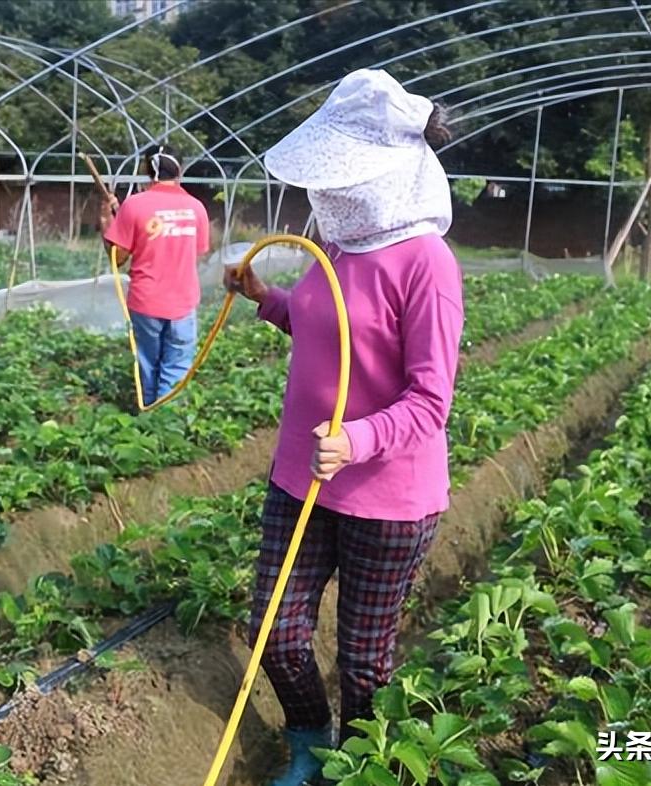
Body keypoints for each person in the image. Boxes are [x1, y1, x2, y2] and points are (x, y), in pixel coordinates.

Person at [223, 69, 464, 786]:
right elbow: (316, 324)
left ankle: (355, 767)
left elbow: (430, 401)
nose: (329, 193)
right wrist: (265, 297)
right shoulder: (337, 254)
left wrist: (357, 440)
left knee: (363, 658)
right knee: (275, 630)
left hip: (389, 495)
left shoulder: (426, 263)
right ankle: (307, 743)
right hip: (301, 475)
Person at [99, 143, 211, 406]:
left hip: (146, 301)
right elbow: (199, 250)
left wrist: (108, 218)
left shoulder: (134, 206)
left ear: (148, 170)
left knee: (148, 365)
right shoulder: (196, 208)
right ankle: (167, 421)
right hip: (183, 301)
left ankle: (149, 415)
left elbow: (118, 258)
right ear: (179, 169)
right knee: (177, 367)